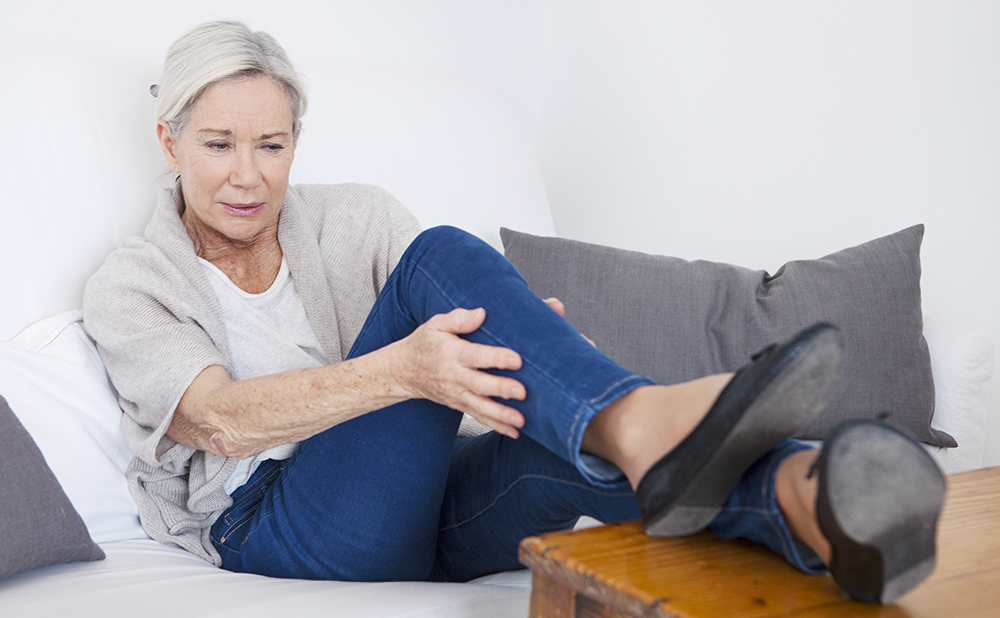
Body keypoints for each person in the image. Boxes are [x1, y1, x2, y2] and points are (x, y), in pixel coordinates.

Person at [83, 20, 944, 605]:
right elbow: (220, 423)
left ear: (296, 144)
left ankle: (818, 506)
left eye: (271, 145)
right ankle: (642, 414)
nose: (247, 174)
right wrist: (406, 371)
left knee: (574, 446)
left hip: (429, 510)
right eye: (218, 144)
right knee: (439, 260)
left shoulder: (356, 216)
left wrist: (526, 343)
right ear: (170, 142)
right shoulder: (133, 281)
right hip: (281, 525)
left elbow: (457, 318)